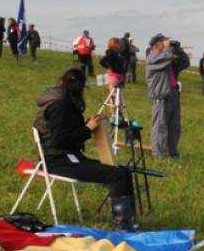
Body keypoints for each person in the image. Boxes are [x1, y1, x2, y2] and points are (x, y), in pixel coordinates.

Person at [34, 69, 139, 230]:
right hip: (58, 161)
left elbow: (66, 131)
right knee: (118, 175)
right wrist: (87, 129)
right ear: (80, 87)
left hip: (66, 157)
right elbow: (59, 141)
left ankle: (128, 221)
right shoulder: (60, 106)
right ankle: (126, 226)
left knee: (121, 172)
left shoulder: (62, 101)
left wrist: (89, 124)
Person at [145, 34, 189, 159]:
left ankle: (172, 152)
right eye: (164, 42)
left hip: (173, 95)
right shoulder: (152, 57)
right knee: (160, 126)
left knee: (174, 127)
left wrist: (179, 49)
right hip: (161, 97)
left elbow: (185, 63)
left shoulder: (167, 60)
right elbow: (165, 56)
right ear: (157, 45)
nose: (168, 43)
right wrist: (168, 47)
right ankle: (158, 154)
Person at [99, 36, 128, 103]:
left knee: (120, 95)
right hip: (113, 76)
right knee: (114, 95)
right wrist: (109, 68)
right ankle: (114, 112)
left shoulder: (118, 53)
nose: (120, 44)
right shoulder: (111, 53)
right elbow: (102, 61)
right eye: (119, 43)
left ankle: (119, 111)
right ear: (115, 44)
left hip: (119, 75)